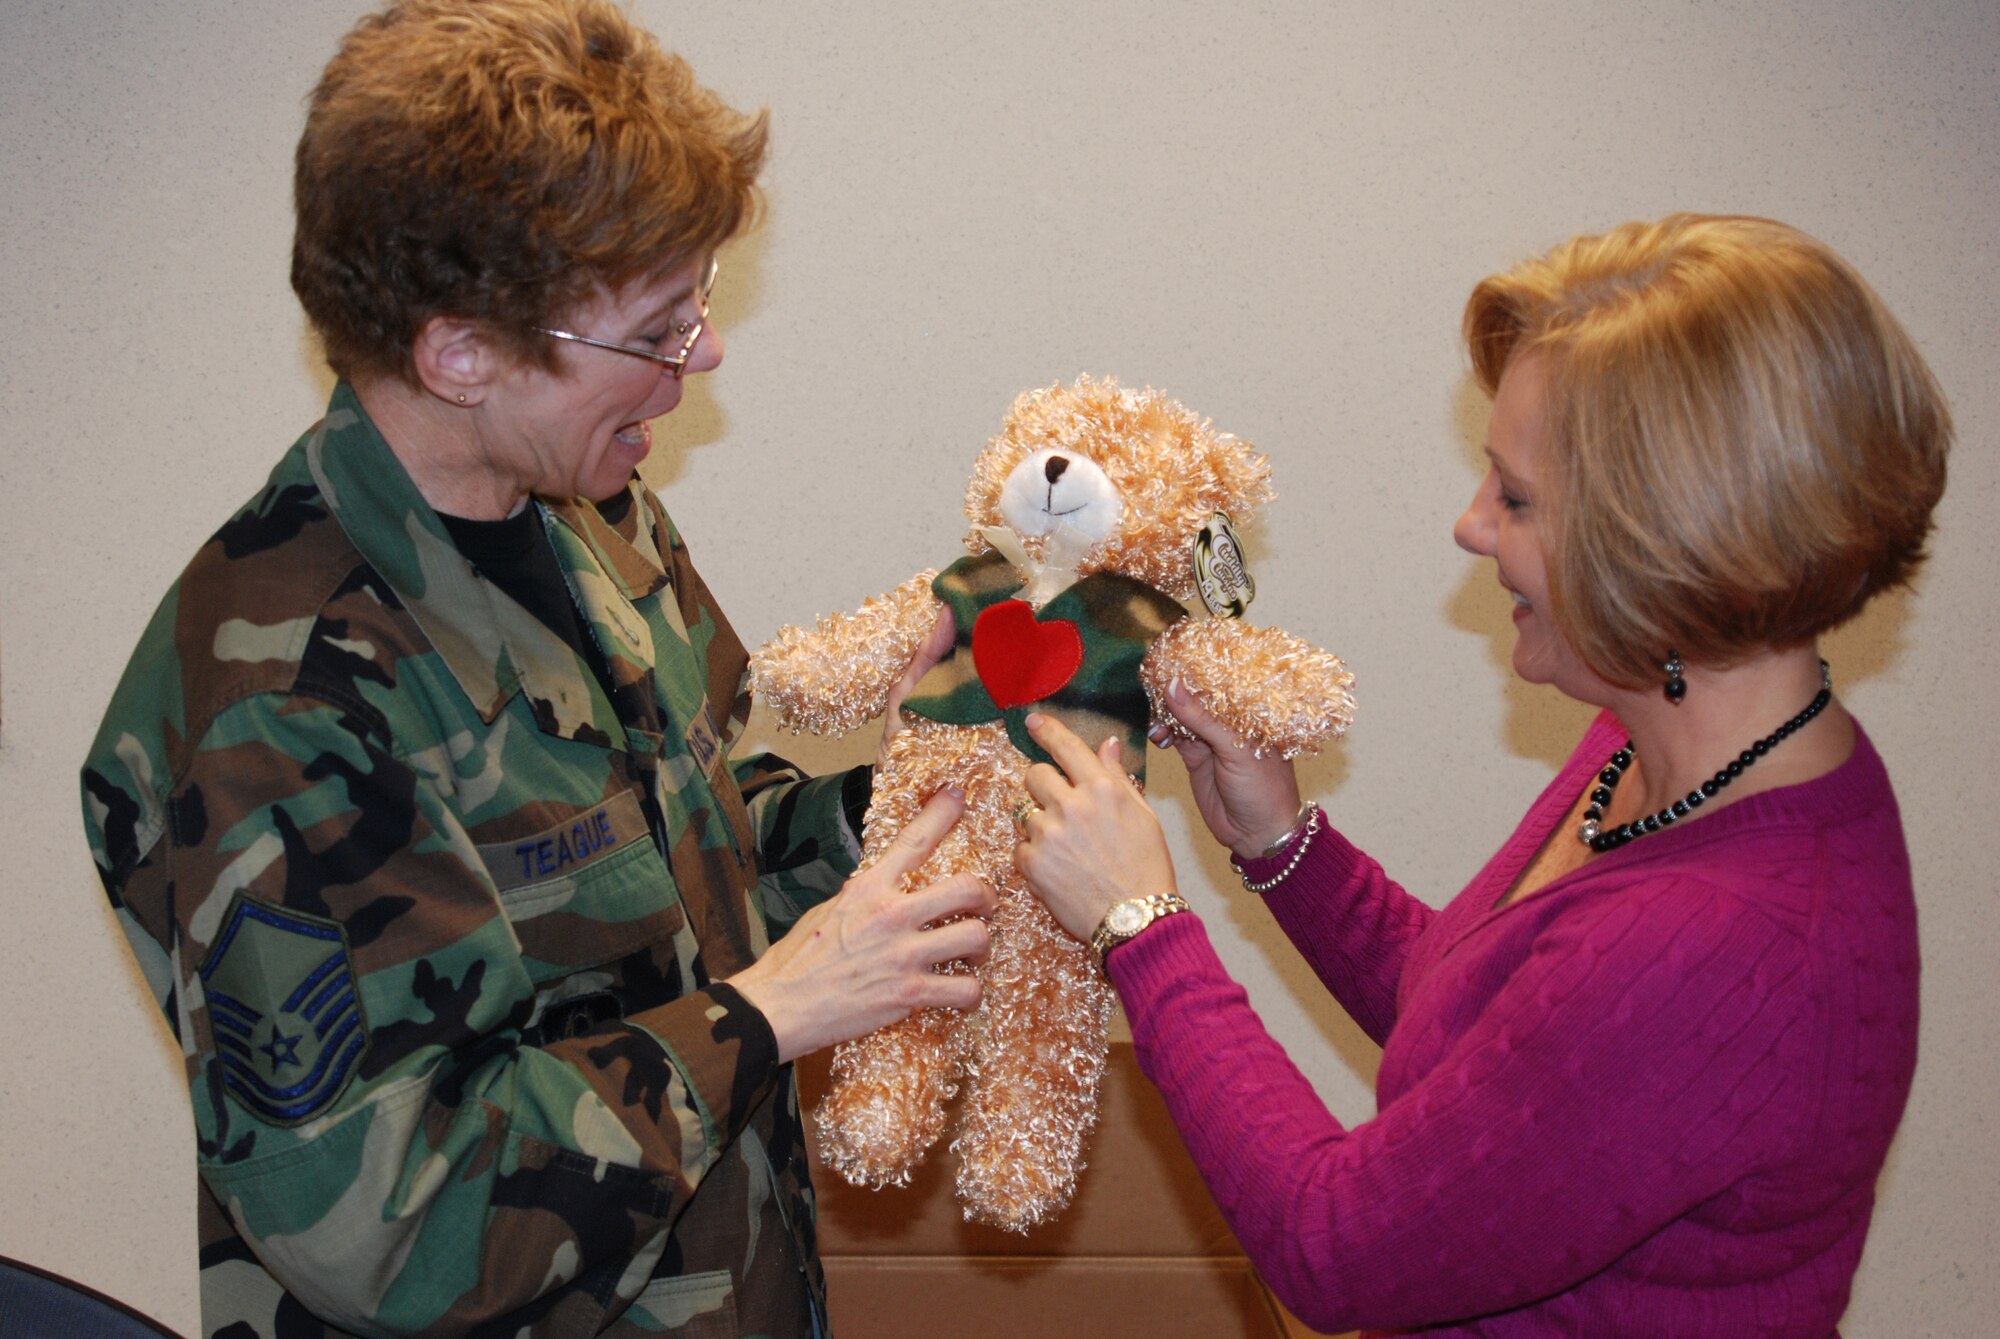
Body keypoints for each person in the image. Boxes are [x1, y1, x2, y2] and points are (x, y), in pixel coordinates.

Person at [77, 2, 991, 1335]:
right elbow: (387, 1224)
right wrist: (759, 1018)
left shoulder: (591, 517)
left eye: (700, 304)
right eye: (657, 326)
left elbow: (715, 857)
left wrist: (927, 784)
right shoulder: (277, 704)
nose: (706, 353)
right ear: (460, 352)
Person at [1014, 213, 1949, 1336]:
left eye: (1512, 499)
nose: (1467, 526)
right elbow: (1496, 1038)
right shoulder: (1660, 746)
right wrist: (1281, 845)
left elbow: (1333, 1247)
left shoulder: (1727, 943)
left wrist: (1141, 923)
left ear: (1666, 547)